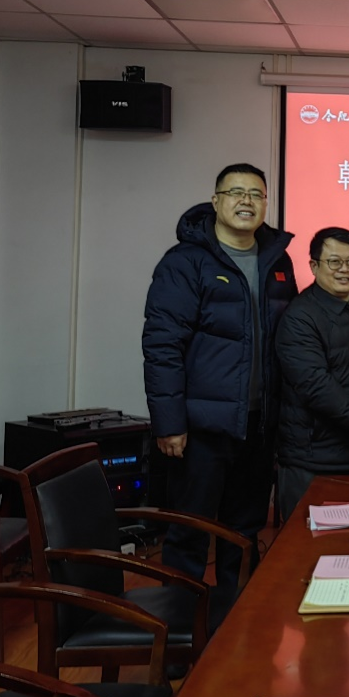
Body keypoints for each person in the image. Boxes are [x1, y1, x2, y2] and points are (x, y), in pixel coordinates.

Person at [142, 163, 296, 628]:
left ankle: (234, 631)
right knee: (190, 533)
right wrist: (169, 422)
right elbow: (162, 346)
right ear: (216, 201)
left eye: (256, 194)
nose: (247, 201)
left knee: (242, 534)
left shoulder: (278, 261)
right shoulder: (184, 262)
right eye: (236, 192)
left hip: (258, 425)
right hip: (200, 429)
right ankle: (177, 640)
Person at [274, 227, 349, 522]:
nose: (345, 269)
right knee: (307, 543)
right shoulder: (299, 317)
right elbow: (316, 387)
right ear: (314, 265)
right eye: (334, 262)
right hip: (312, 459)